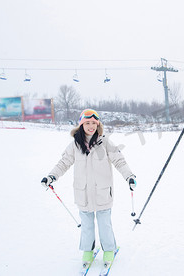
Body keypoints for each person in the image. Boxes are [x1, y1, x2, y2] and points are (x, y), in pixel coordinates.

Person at [41, 109, 137, 266]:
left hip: (103, 192)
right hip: (83, 193)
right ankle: (88, 250)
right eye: (87, 123)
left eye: (94, 123)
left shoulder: (105, 142)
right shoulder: (75, 145)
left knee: (104, 223)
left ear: (98, 124)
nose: (91, 126)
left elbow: (119, 161)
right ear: (81, 125)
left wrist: (129, 177)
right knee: (86, 225)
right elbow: (63, 163)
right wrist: (51, 176)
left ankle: (108, 250)